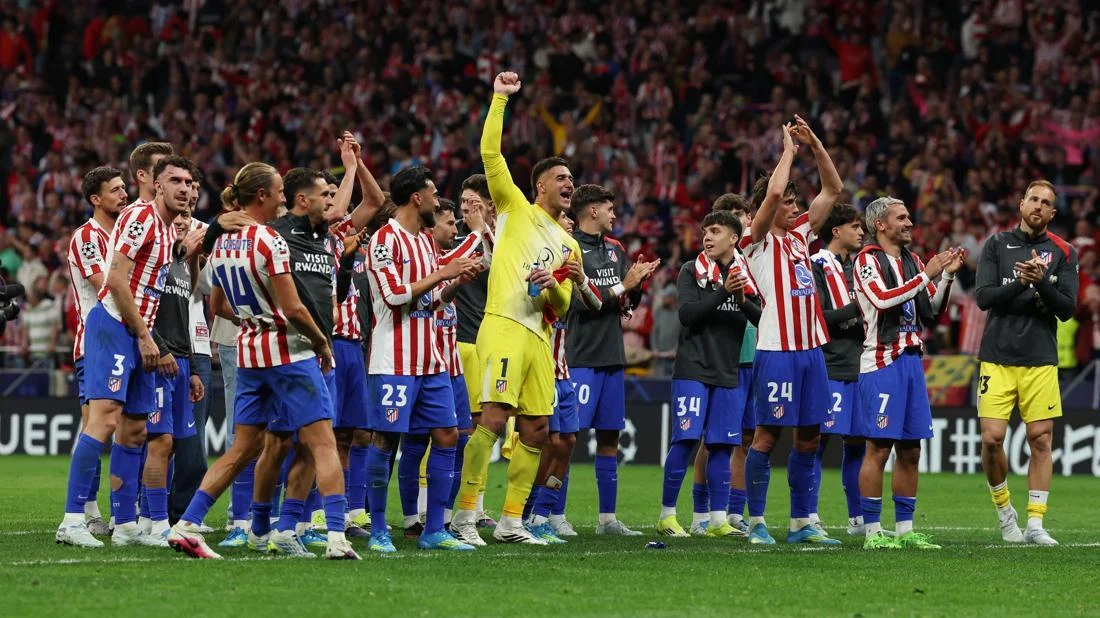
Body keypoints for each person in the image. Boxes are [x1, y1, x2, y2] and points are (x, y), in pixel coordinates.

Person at [168, 162, 358, 560]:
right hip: (289, 352)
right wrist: (321, 342)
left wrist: (254, 319)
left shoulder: (221, 244)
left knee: (243, 448)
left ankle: (189, 524)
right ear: (262, 196)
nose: (283, 199)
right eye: (278, 192)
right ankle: (337, 538)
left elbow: (217, 306)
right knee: (323, 444)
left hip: (250, 352)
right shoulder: (270, 240)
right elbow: (294, 309)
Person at [449, 71, 585, 547]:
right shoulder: (513, 207)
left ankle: (511, 521)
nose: (570, 184)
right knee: (493, 416)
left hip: (539, 338)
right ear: (540, 186)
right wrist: (500, 99)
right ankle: (465, 515)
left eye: (571, 179)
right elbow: (491, 152)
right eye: (561, 178)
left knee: (537, 428)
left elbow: (562, 307)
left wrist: (553, 287)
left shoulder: (569, 244)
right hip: (504, 324)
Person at [55, 155, 192, 548]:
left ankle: (127, 524)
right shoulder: (140, 217)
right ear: (157, 185)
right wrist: (147, 338)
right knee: (103, 421)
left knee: (135, 430)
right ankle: (72, 520)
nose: (184, 189)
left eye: (188, 182)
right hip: (115, 326)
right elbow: (115, 280)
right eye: (175, 181)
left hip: (138, 332)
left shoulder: (167, 229)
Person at [362, 166, 480, 553]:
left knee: (447, 435)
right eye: (432, 194)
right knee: (386, 440)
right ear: (417, 198)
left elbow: (429, 301)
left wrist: (454, 282)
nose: (436, 200)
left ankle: (433, 531)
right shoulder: (384, 240)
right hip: (394, 360)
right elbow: (395, 295)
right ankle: (379, 530)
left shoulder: (425, 243)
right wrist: (445, 272)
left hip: (431, 360)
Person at [740, 117, 843, 545]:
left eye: (797, 202)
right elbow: (773, 193)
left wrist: (815, 144)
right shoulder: (755, 239)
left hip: (811, 349)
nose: (794, 207)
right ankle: (757, 522)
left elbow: (833, 190)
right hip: (777, 349)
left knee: (810, 436)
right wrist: (787, 152)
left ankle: (802, 522)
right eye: (788, 203)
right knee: (767, 435)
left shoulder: (801, 236)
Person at [853, 196, 963, 550]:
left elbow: (931, 309)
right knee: (879, 448)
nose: (909, 223)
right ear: (880, 225)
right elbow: (883, 300)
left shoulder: (912, 261)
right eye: (901, 218)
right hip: (882, 362)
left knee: (911, 449)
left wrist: (946, 276)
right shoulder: (867, 260)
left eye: (908, 217)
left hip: (912, 362)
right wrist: (927, 274)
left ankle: (905, 530)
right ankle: (873, 532)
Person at [974, 180, 1078, 546]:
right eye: (1033, 199)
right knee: (992, 439)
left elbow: (1067, 308)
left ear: (1052, 213)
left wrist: (1042, 283)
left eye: (1046, 202)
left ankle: (1035, 523)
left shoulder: (1064, 252)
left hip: (1039, 358)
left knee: (1040, 439)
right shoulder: (996, 244)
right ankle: (1006, 514)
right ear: (1021, 204)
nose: (1038, 205)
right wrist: (1022, 284)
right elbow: (984, 298)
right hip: (997, 356)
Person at [656, 210, 758, 539]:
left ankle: (717, 520)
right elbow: (687, 315)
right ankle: (667, 516)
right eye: (705, 231)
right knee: (686, 439)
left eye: (715, 231)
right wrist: (724, 292)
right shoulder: (691, 270)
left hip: (728, 370)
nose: (707, 237)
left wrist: (741, 299)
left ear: (734, 238)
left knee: (722, 445)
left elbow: (761, 318)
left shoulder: (746, 274)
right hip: (693, 368)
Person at [565, 183, 658, 536]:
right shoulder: (569, 248)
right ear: (592, 210)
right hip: (580, 355)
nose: (615, 215)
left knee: (609, 437)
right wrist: (625, 284)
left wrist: (637, 286)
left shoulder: (617, 249)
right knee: (566, 438)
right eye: (609, 208)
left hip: (612, 355)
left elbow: (623, 306)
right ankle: (552, 515)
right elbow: (582, 304)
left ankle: (607, 519)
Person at [687, 194, 761, 536]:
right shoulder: (705, 267)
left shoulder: (751, 260)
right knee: (712, 439)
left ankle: (734, 512)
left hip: (753, 355)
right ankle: (701, 513)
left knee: (744, 438)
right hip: (722, 359)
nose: (740, 220)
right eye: (731, 215)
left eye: (742, 214)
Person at [58, 166, 126, 544]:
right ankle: (85, 513)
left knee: (124, 427)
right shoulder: (88, 237)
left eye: (124, 187)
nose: (124, 194)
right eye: (115, 190)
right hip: (95, 343)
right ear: (96, 199)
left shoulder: (122, 235)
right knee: (97, 427)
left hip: (124, 341)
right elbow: (106, 285)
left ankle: (119, 513)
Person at [526, 208, 602, 544]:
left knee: (567, 442)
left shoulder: (572, 269)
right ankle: (524, 514)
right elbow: (532, 304)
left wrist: (581, 278)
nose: (570, 223)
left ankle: (541, 515)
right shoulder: (535, 262)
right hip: (539, 367)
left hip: (563, 370)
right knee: (546, 442)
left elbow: (596, 303)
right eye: (564, 220)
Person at [420, 197, 492, 533]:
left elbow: (487, 261)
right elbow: (445, 266)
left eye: (474, 206)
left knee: (462, 436)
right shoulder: (425, 251)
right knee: (415, 441)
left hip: (457, 357)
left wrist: (483, 232)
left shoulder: (466, 247)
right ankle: (416, 515)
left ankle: (450, 515)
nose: (460, 221)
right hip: (430, 358)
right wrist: (476, 231)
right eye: (451, 220)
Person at [138, 192, 204, 545]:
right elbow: (144, 311)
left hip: (180, 360)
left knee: (174, 443)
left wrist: (192, 368)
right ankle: (156, 520)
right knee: (159, 441)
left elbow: (183, 319)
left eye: (186, 219)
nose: (181, 223)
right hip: (159, 360)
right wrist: (161, 349)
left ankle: (149, 516)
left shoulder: (180, 264)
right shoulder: (159, 258)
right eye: (176, 219)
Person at [810, 203, 867, 536]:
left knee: (858, 443)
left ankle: (857, 520)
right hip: (829, 364)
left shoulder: (861, 267)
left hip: (861, 365)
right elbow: (818, 316)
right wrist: (857, 308)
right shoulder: (816, 265)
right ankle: (809, 515)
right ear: (836, 231)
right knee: (817, 443)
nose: (861, 232)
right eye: (855, 226)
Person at [452, 174, 499, 529]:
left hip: (491, 343)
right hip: (458, 342)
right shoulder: (451, 238)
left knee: (485, 428)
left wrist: (484, 231)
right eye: (464, 202)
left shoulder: (502, 239)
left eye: (474, 203)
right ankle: (425, 510)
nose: (466, 208)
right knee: (450, 430)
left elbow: (504, 269)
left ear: (490, 206)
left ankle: (476, 507)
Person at [170, 180, 213, 523]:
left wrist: (199, 256)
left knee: (193, 438)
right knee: (152, 436)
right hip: (163, 343)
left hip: (196, 346)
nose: (190, 193)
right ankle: (143, 509)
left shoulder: (205, 234)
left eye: (194, 189)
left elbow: (208, 288)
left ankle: (180, 512)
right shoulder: (157, 235)